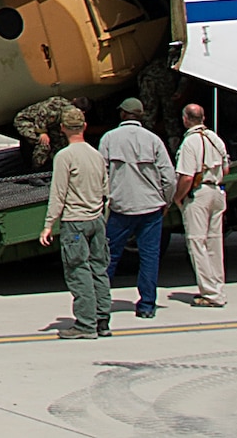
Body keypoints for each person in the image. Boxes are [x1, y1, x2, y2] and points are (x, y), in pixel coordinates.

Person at [99, 97, 176, 320]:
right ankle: (147, 305)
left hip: (121, 207)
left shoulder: (109, 139)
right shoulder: (153, 140)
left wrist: (106, 199)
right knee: (150, 257)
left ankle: (102, 303)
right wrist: (166, 201)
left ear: (123, 114)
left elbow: (101, 173)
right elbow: (169, 177)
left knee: (109, 257)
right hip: (150, 207)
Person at [38, 107, 110, 339]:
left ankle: (85, 324)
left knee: (79, 271)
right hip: (96, 219)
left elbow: (58, 193)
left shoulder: (65, 157)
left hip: (75, 221)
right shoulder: (96, 154)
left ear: (62, 129)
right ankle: (102, 320)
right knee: (99, 269)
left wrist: (49, 224)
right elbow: (106, 190)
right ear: (84, 127)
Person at [172, 102, 231, 308]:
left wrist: (178, 197)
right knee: (214, 242)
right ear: (203, 118)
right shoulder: (215, 138)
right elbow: (226, 170)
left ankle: (210, 293)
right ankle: (217, 287)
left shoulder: (190, 143)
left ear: (185, 119)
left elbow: (187, 177)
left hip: (199, 194)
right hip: (216, 190)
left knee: (197, 243)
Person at [13, 95, 89, 170]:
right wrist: (42, 133)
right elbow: (41, 114)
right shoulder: (57, 107)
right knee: (44, 144)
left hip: (48, 125)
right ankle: (35, 170)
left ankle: (52, 164)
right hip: (27, 121)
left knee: (61, 143)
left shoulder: (69, 113)